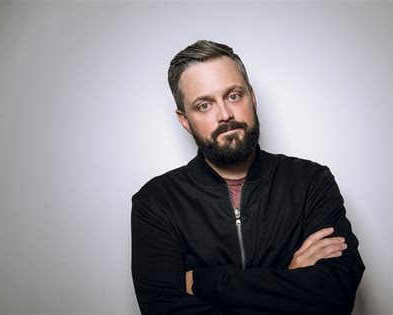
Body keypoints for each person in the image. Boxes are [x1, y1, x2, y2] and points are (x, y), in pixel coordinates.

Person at [131, 40, 365, 315]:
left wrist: (210, 282)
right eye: (204, 105)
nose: (225, 115)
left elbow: (335, 297)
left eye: (233, 96)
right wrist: (290, 280)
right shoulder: (156, 202)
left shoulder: (311, 181)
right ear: (185, 121)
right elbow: (164, 311)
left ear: (252, 98)